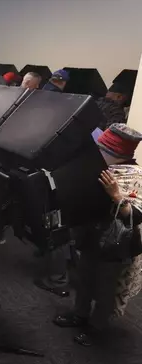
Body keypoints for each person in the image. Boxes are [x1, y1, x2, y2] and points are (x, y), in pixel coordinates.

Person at [53, 124, 142, 346]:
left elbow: (136, 216)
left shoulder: (134, 176)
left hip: (115, 244)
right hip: (91, 234)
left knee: (106, 290)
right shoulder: (93, 167)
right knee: (83, 278)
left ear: (117, 156)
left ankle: (97, 327)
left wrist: (116, 196)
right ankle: (79, 314)